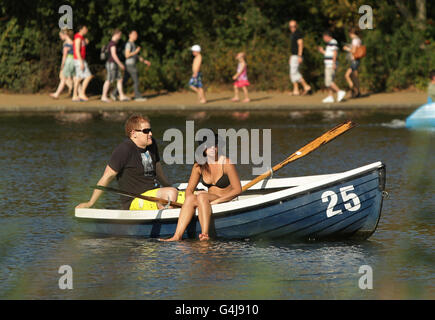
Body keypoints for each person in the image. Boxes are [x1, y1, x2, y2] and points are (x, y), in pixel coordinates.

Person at [76, 114, 179, 210]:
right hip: (135, 200)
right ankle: (167, 222)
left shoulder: (152, 144)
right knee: (171, 193)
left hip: (154, 193)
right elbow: (107, 176)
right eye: (146, 131)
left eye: (150, 130)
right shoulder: (124, 149)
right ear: (133, 133)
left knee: (190, 196)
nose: (150, 134)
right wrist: (91, 202)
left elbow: (157, 168)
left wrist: (168, 184)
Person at [161, 134, 242, 241]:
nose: (213, 148)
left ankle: (204, 234)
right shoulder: (198, 166)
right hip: (208, 199)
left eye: (215, 145)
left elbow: (238, 189)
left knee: (202, 196)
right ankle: (177, 236)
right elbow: (189, 190)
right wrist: (191, 203)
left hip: (224, 199)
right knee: (191, 197)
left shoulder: (226, 163)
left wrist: (216, 202)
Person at [112, 30, 151, 102]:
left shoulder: (133, 44)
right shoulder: (128, 44)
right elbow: (127, 55)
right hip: (130, 65)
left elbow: (135, 56)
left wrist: (145, 61)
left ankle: (114, 93)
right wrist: (136, 52)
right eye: (134, 34)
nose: (136, 36)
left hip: (130, 65)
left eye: (136, 34)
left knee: (124, 80)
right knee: (136, 80)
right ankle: (137, 96)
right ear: (129, 35)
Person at [101, 29, 130, 102]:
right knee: (109, 79)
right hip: (112, 64)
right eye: (119, 35)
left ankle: (121, 95)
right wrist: (120, 64)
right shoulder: (112, 44)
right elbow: (114, 55)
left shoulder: (112, 43)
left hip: (114, 64)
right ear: (116, 34)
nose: (120, 37)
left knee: (119, 79)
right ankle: (103, 96)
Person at [318, 31, 346, 103]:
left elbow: (335, 53)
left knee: (328, 82)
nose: (324, 39)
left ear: (327, 36)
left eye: (324, 37)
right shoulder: (329, 44)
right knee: (331, 81)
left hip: (330, 64)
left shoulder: (333, 42)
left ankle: (339, 91)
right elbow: (329, 54)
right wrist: (322, 51)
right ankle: (330, 96)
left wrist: (333, 63)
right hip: (329, 64)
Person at [288, 20, 311, 96]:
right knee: (293, 73)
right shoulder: (293, 34)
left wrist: (300, 56)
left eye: (294, 26)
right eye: (291, 26)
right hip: (293, 55)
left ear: (296, 26)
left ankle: (306, 86)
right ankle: (296, 90)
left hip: (297, 56)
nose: (292, 28)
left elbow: (301, 44)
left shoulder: (298, 34)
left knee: (294, 72)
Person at [50, 29, 75, 99]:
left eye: (61, 36)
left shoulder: (66, 44)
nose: (60, 37)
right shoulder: (73, 42)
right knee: (68, 78)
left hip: (68, 61)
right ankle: (73, 90)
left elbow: (64, 56)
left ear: (65, 35)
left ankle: (57, 93)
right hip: (73, 60)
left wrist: (62, 66)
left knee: (63, 77)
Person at [72, 25, 93, 102]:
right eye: (85, 28)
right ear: (81, 29)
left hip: (80, 59)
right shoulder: (78, 38)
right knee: (88, 76)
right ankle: (81, 93)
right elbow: (77, 50)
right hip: (79, 60)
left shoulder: (81, 38)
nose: (86, 30)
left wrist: (85, 42)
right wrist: (81, 62)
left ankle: (75, 95)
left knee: (78, 78)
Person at [343, 28, 362, 98]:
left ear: (351, 33)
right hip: (357, 60)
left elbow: (353, 51)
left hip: (354, 60)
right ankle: (357, 92)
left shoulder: (354, 40)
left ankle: (353, 90)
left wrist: (346, 48)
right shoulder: (359, 39)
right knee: (355, 77)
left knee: (347, 75)